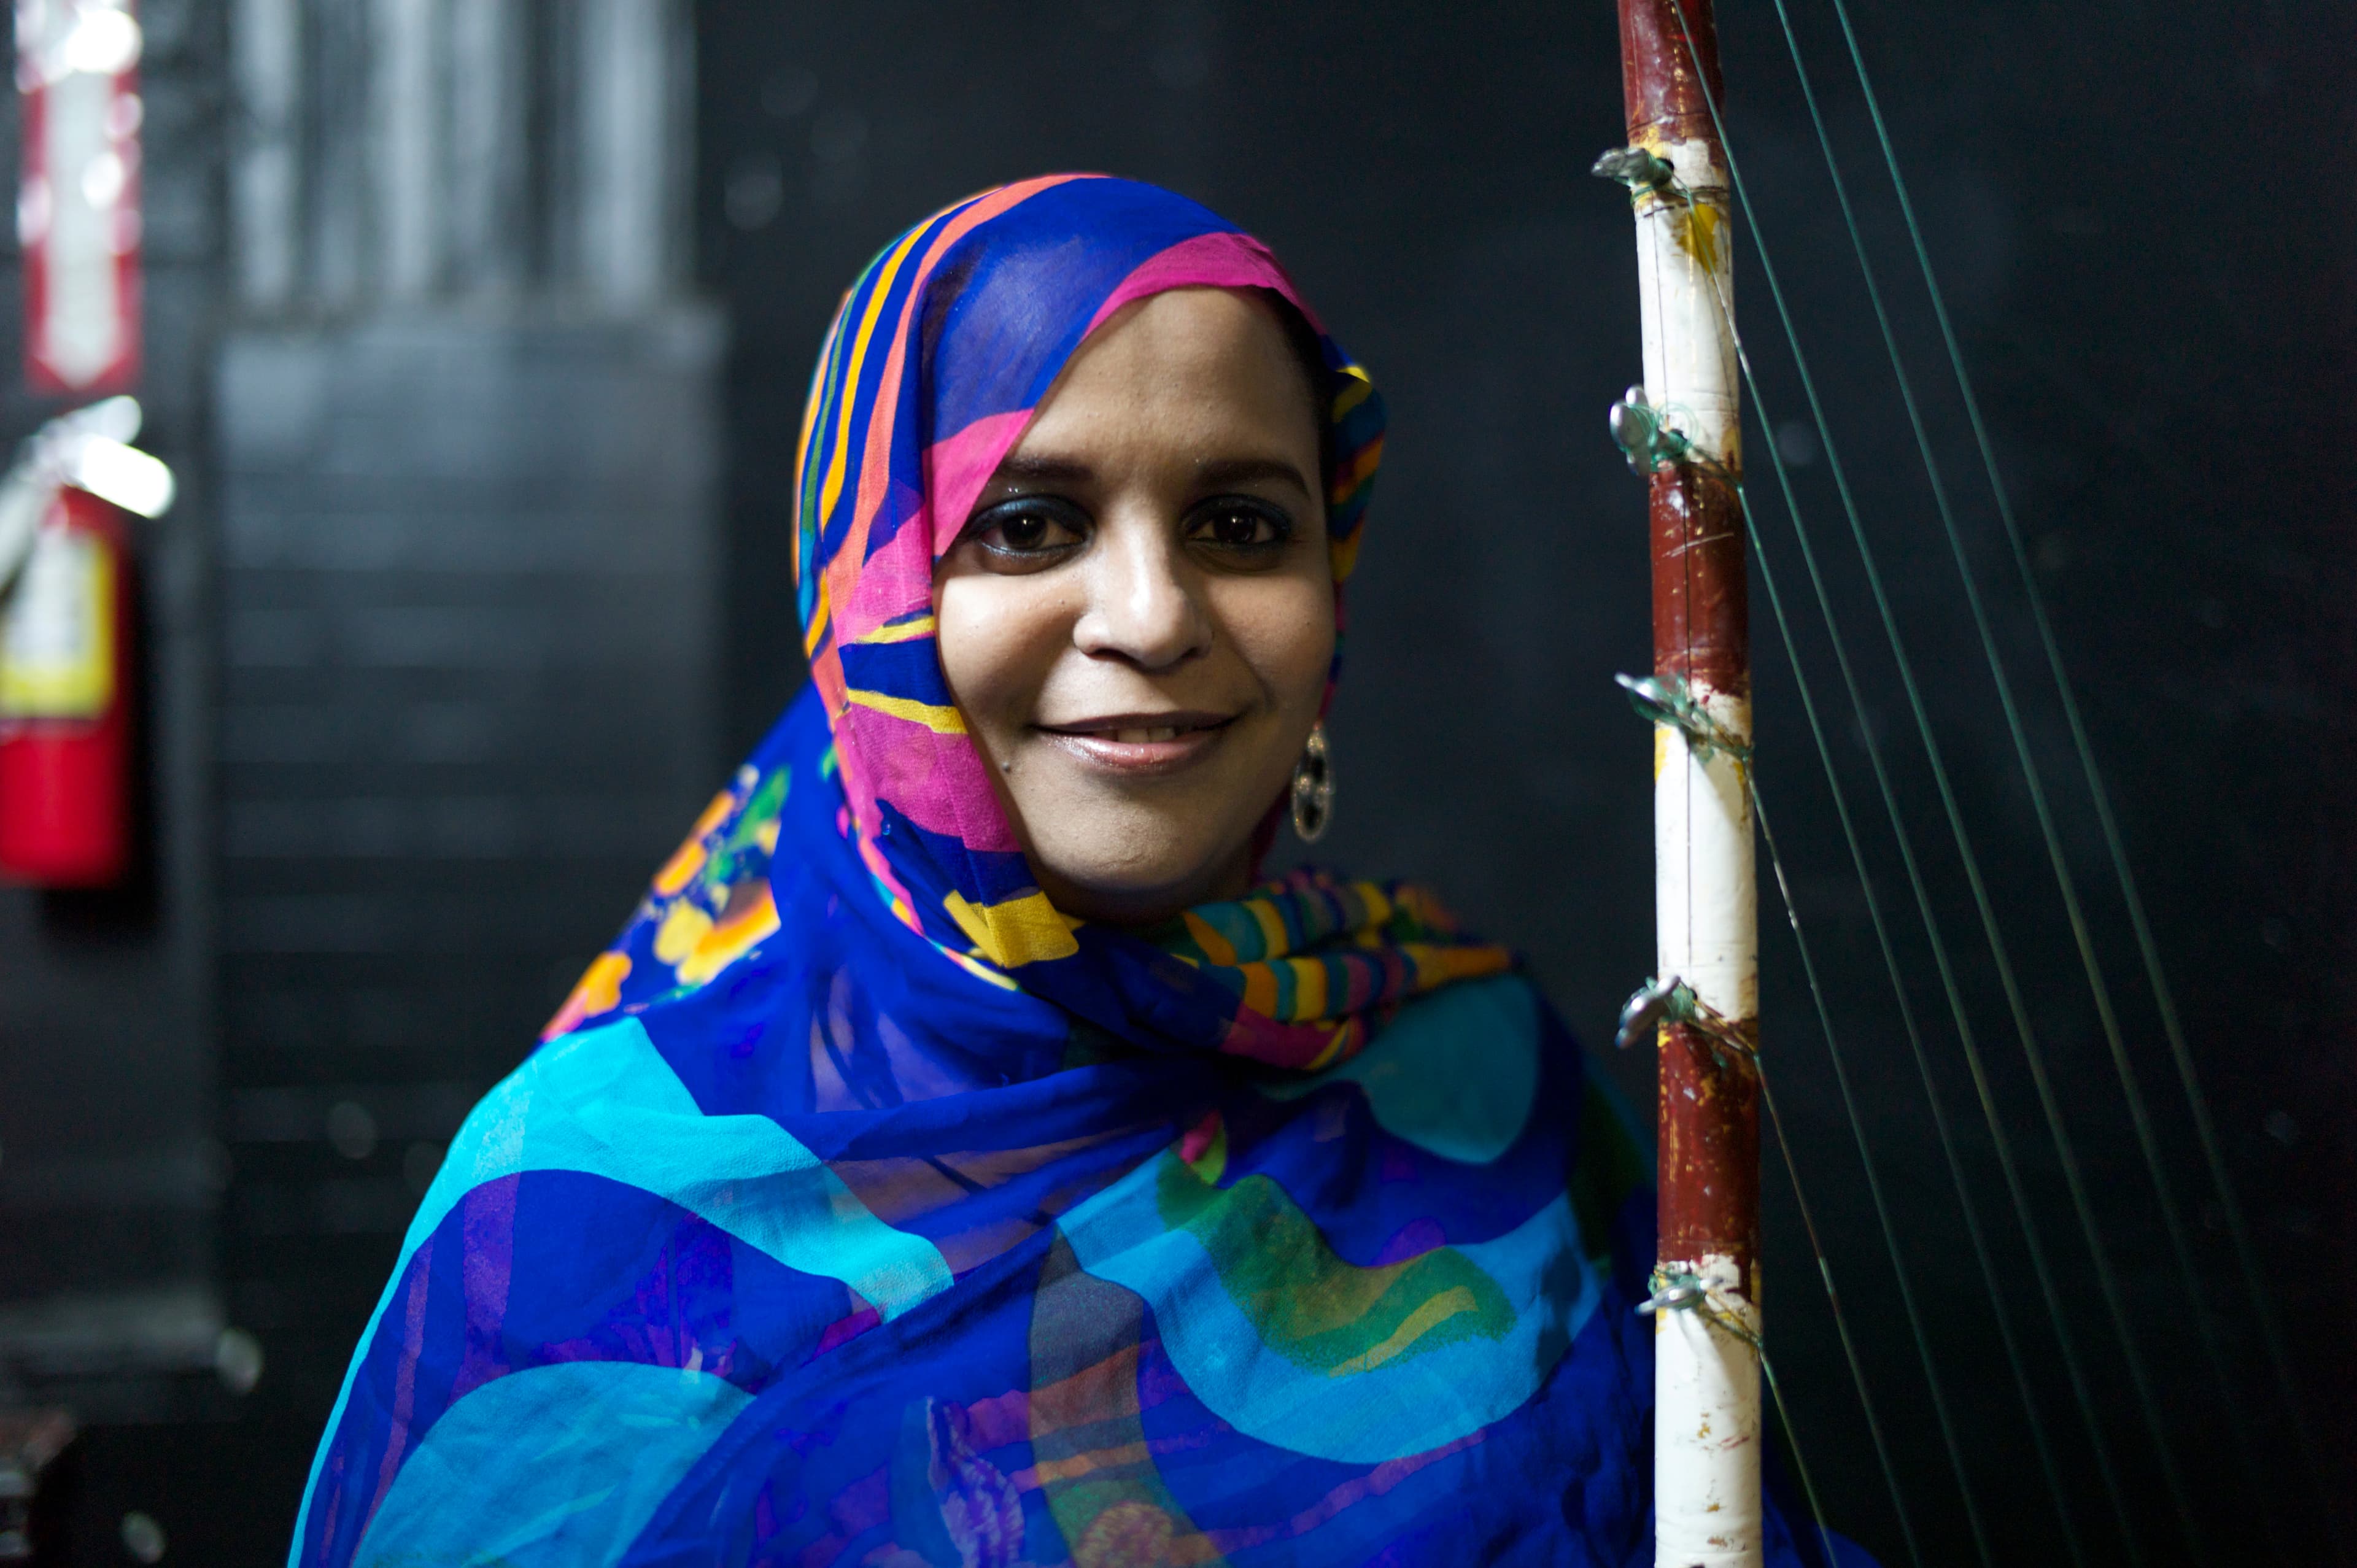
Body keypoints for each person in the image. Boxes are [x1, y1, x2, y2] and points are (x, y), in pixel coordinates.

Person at [290, 174, 1853, 1568]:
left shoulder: (1476, 1074)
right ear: (876, 589)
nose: (1154, 614)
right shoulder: (581, 1199)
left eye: (1242, 524)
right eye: (1030, 524)